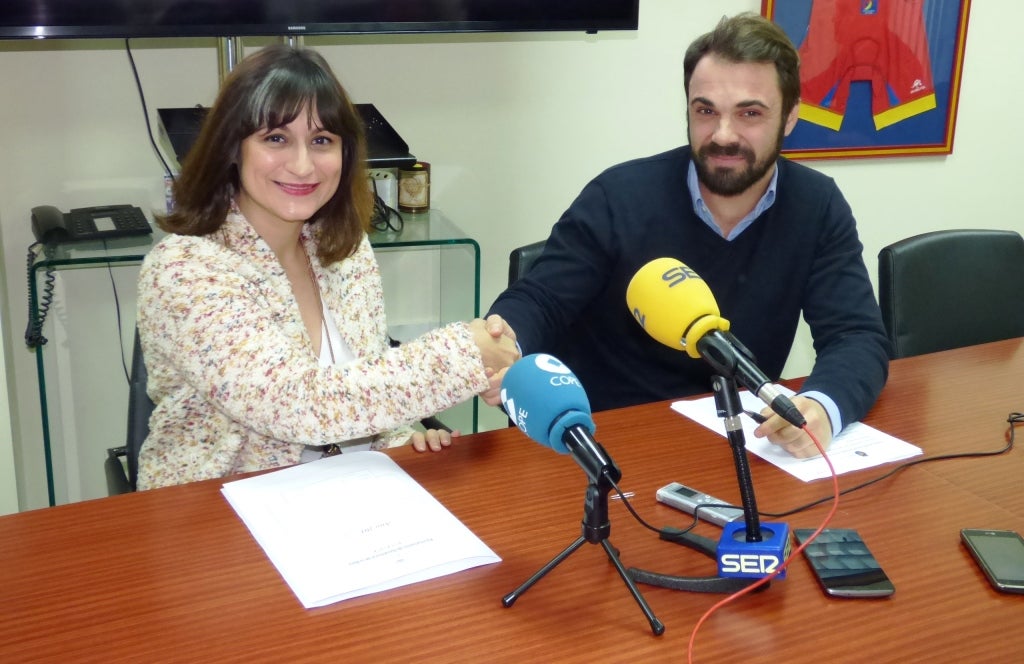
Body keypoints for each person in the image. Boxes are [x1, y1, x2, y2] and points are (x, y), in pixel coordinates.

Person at [487, 13, 890, 458]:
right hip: (608, 445)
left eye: (749, 113)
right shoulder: (619, 196)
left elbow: (856, 336)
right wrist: (506, 341)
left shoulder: (816, 205)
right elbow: (541, 300)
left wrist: (821, 407)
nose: (722, 135)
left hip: (737, 449)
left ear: (790, 117)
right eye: (705, 111)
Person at [136, 44, 519, 490]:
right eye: (275, 138)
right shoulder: (183, 268)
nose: (302, 165)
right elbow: (298, 404)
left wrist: (401, 437)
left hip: (348, 498)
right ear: (233, 148)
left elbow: (360, 380)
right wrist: (467, 355)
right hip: (220, 513)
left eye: (322, 141)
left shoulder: (345, 249)